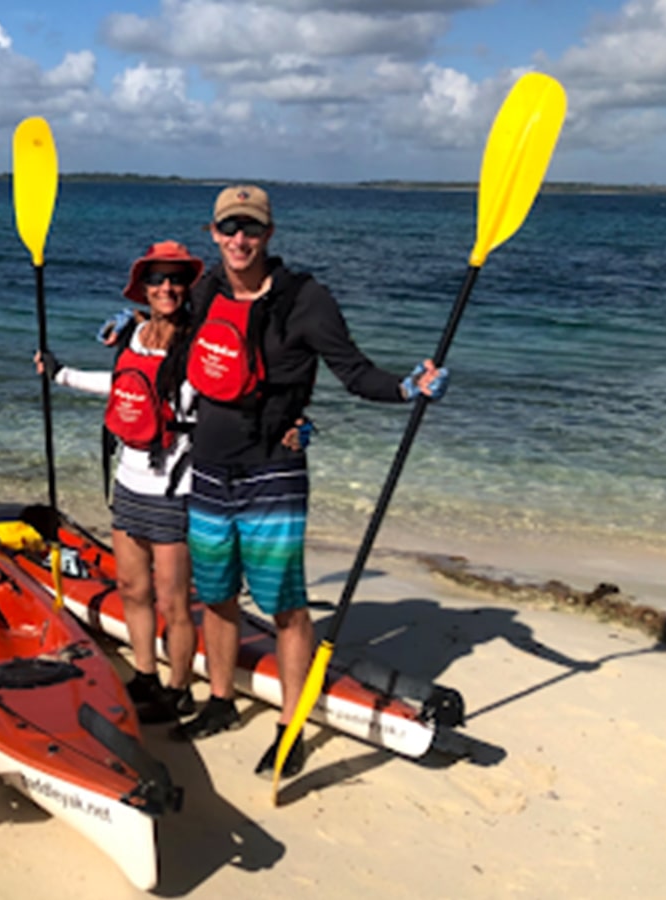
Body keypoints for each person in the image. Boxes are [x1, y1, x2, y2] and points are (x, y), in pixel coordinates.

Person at [171, 185, 447, 778]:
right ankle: (220, 701)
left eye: (251, 229)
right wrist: (134, 334)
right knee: (216, 597)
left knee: (286, 607)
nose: (239, 240)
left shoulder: (307, 300)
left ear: (269, 235)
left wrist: (406, 387)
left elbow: (354, 371)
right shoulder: (205, 290)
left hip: (273, 470)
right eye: (229, 229)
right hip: (210, 468)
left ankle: (289, 728)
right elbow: (180, 352)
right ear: (212, 233)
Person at [36, 240, 205, 724]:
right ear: (144, 289)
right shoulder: (133, 334)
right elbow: (124, 385)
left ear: (187, 286)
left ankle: (178, 689)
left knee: (174, 601)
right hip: (129, 481)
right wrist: (61, 374)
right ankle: (146, 676)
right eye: (157, 279)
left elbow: (226, 392)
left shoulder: (198, 344)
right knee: (132, 587)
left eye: (175, 278)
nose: (167, 287)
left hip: (177, 488)